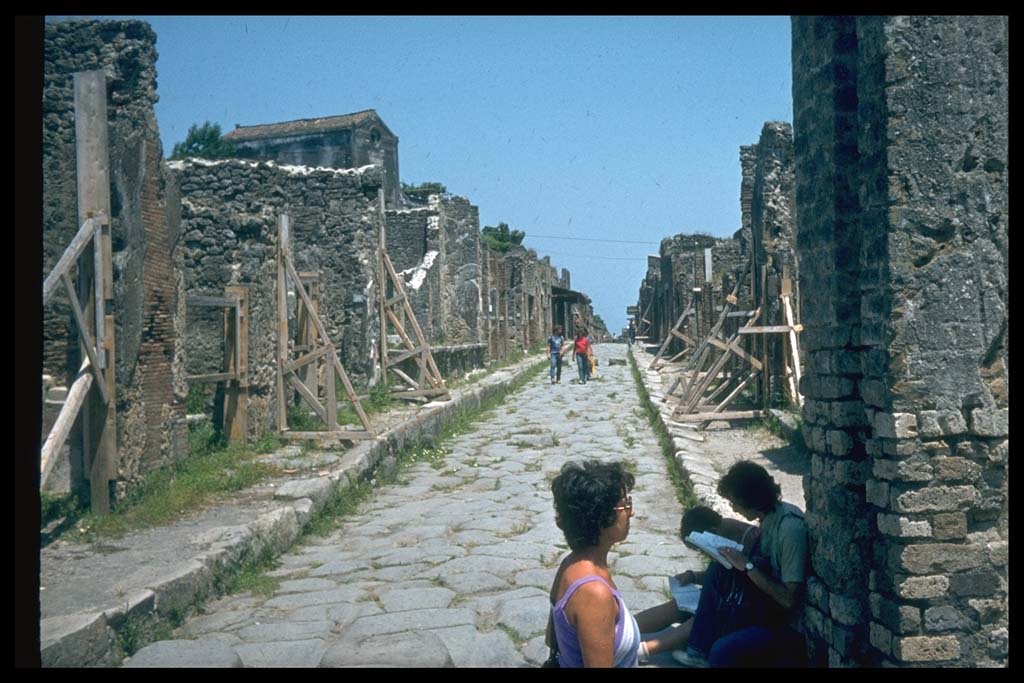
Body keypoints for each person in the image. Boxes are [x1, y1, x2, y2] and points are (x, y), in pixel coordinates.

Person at [679, 461, 808, 667]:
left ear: (750, 500)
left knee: (721, 651)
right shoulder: (768, 519)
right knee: (717, 570)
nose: (733, 508)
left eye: (735, 502)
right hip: (761, 604)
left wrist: (747, 565)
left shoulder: (789, 529)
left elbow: (788, 599)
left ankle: (700, 650)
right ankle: (697, 649)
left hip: (780, 622)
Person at [546, 460, 642, 667]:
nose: (631, 512)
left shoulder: (570, 564)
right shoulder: (594, 592)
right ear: (601, 518)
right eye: (625, 505)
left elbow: (553, 639)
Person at [633, 506, 758, 661]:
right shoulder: (723, 531)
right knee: (678, 605)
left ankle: (643, 651)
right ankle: (621, 631)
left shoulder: (745, 539)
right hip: (727, 600)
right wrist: (693, 576)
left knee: (703, 614)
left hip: (744, 612)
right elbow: (722, 576)